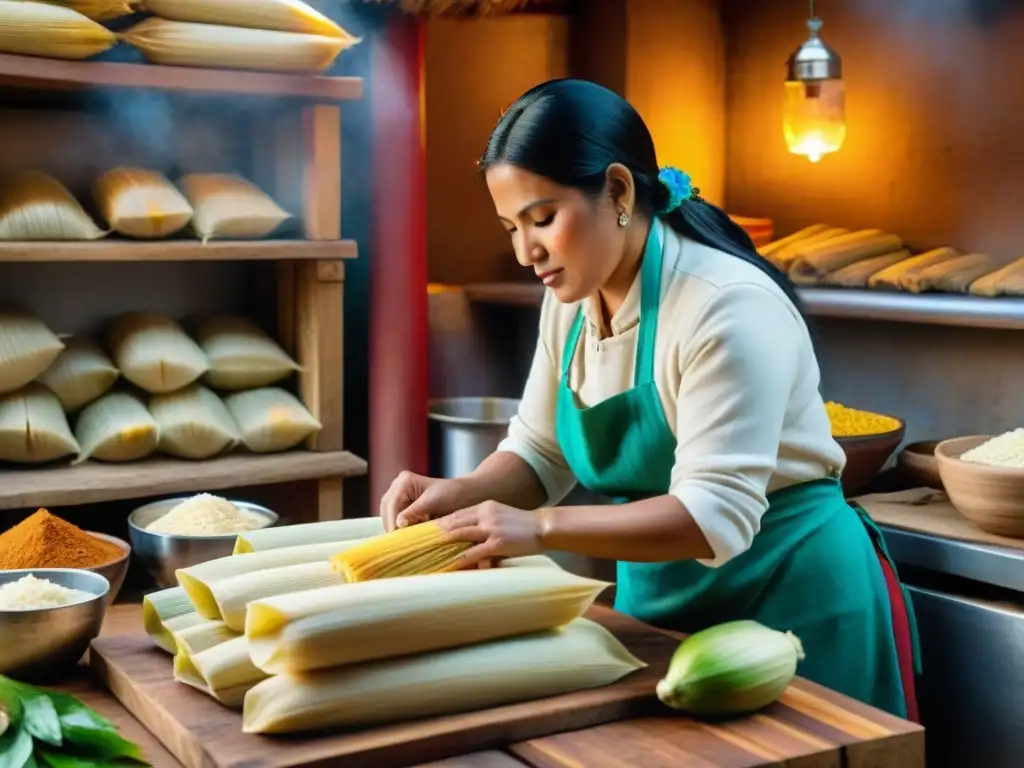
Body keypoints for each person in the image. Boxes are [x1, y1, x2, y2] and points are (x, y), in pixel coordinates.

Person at [381, 78, 920, 721]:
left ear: (617, 190)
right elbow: (539, 451)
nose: (527, 252)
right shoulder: (571, 301)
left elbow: (712, 515)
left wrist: (540, 528)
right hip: (660, 605)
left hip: (791, 607)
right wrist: (462, 494)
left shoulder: (725, 308)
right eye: (511, 227)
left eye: (543, 218)